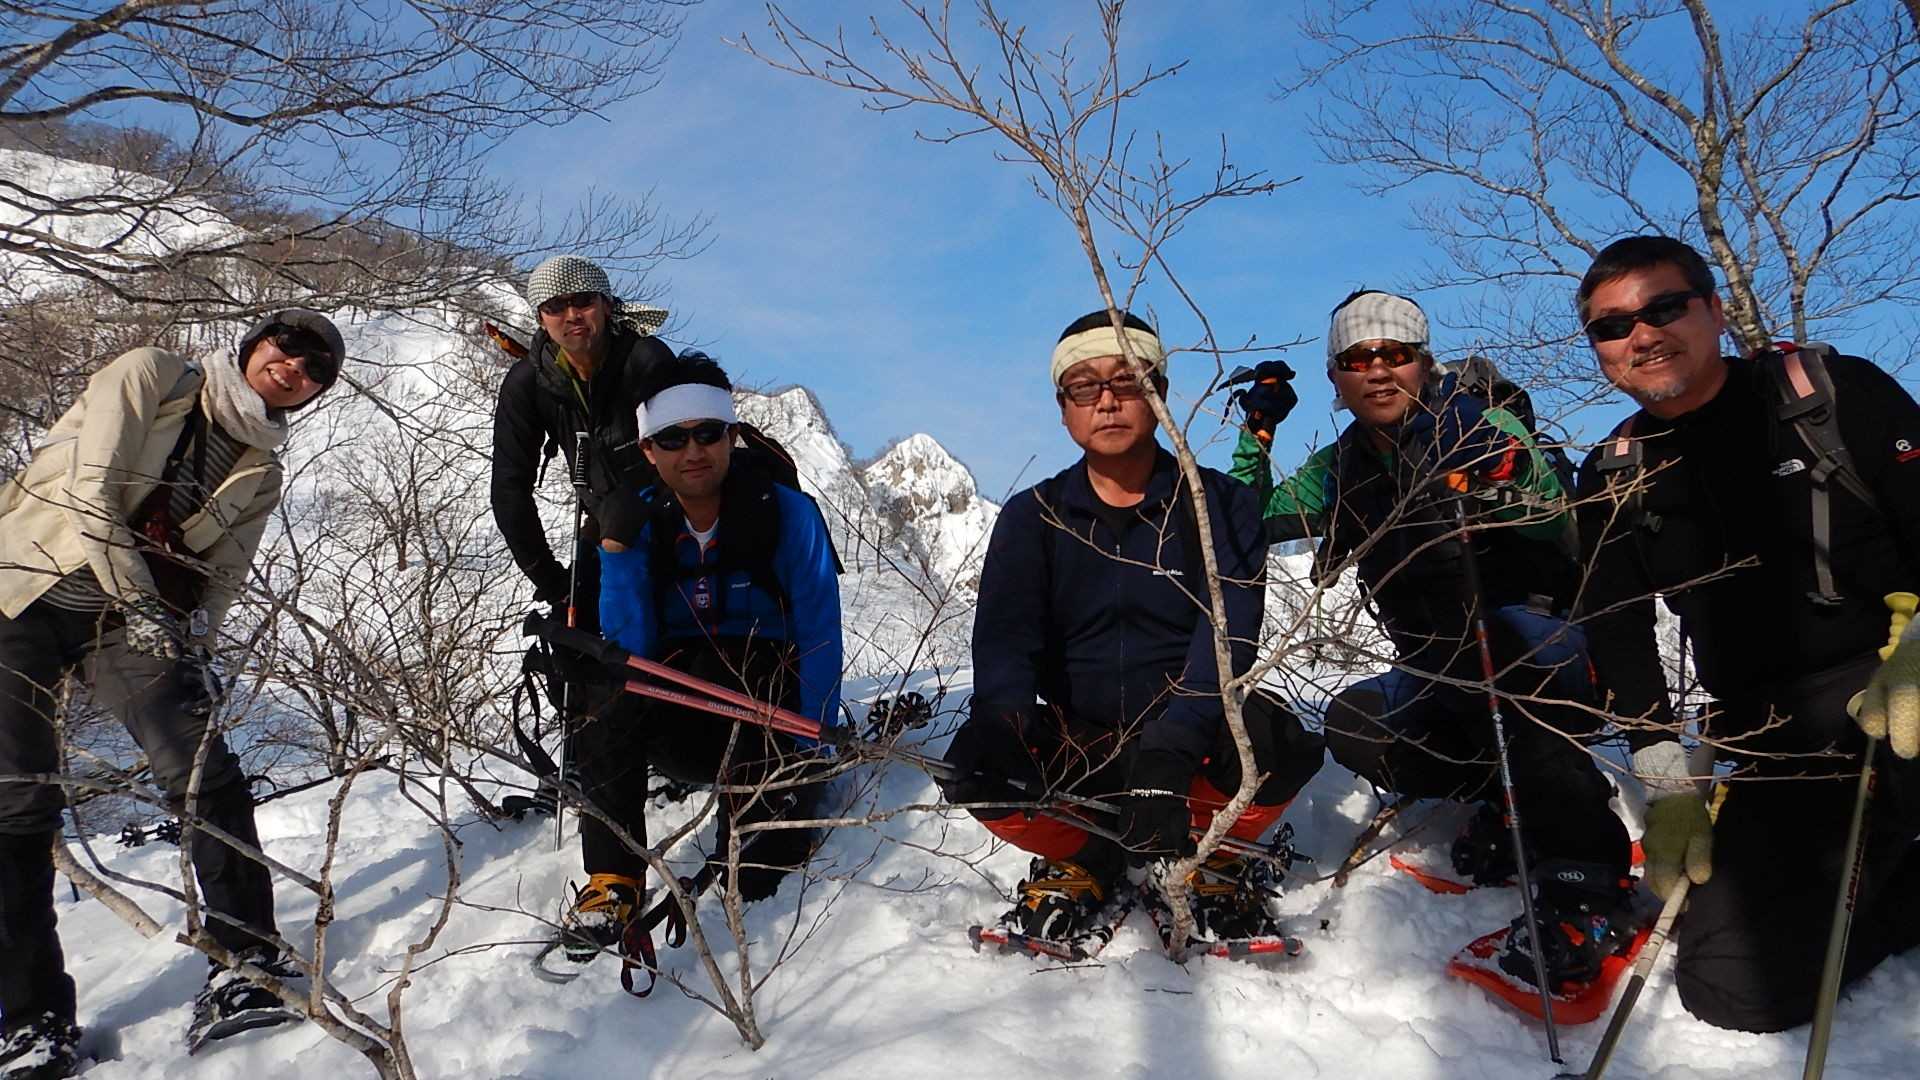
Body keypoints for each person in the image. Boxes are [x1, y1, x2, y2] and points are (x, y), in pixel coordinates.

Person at [1231, 289, 1636, 989]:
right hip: (1437, 665)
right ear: (1335, 378)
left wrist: (1498, 468)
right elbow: (1249, 521)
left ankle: (1587, 883)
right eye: (1358, 358)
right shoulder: (1340, 468)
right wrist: (1258, 434)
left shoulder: (1477, 423)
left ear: (1423, 361)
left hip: (1542, 650)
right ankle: (1505, 798)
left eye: (1395, 354)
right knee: (1356, 723)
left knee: (1505, 657)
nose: (1377, 370)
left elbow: (1554, 512)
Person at [1573, 235, 1920, 1032]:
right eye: (1613, 326)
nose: (1642, 335)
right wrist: (1663, 772)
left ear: (1715, 310)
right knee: (1733, 987)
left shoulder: (1832, 395)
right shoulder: (1617, 470)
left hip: (1894, 677)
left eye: (1665, 308)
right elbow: (1617, 626)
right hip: (1775, 736)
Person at [0, 310, 347, 1075]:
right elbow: (92, 496)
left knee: (200, 767)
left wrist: (195, 651)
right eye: (288, 346)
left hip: (125, 624)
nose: (295, 368)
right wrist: (148, 608)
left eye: (316, 371)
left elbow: (221, 578)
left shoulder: (261, 468)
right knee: (16, 803)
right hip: (19, 595)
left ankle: (245, 963)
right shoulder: (153, 375)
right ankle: (30, 1020)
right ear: (254, 344)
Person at [942, 309, 1323, 947]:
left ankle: (1212, 853)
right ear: (1063, 407)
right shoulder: (1034, 516)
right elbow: (1006, 641)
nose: (1108, 400)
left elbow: (1227, 639)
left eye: (1128, 380)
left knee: (1276, 742)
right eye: (1084, 386)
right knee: (976, 762)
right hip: (1082, 741)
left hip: (1193, 740)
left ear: (1160, 394)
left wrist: (1171, 748)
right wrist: (1007, 726)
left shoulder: (1220, 504)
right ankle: (1085, 855)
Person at [550, 350, 842, 961]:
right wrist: (616, 552)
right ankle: (613, 876)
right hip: (678, 703)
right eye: (672, 438)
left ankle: (756, 831)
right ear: (648, 449)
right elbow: (629, 655)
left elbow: (818, 630)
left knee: (756, 877)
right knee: (604, 690)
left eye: (708, 433)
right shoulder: (634, 519)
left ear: (732, 436)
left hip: (768, 714)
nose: (693, 451)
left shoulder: (788, 514)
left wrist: (811, 743)